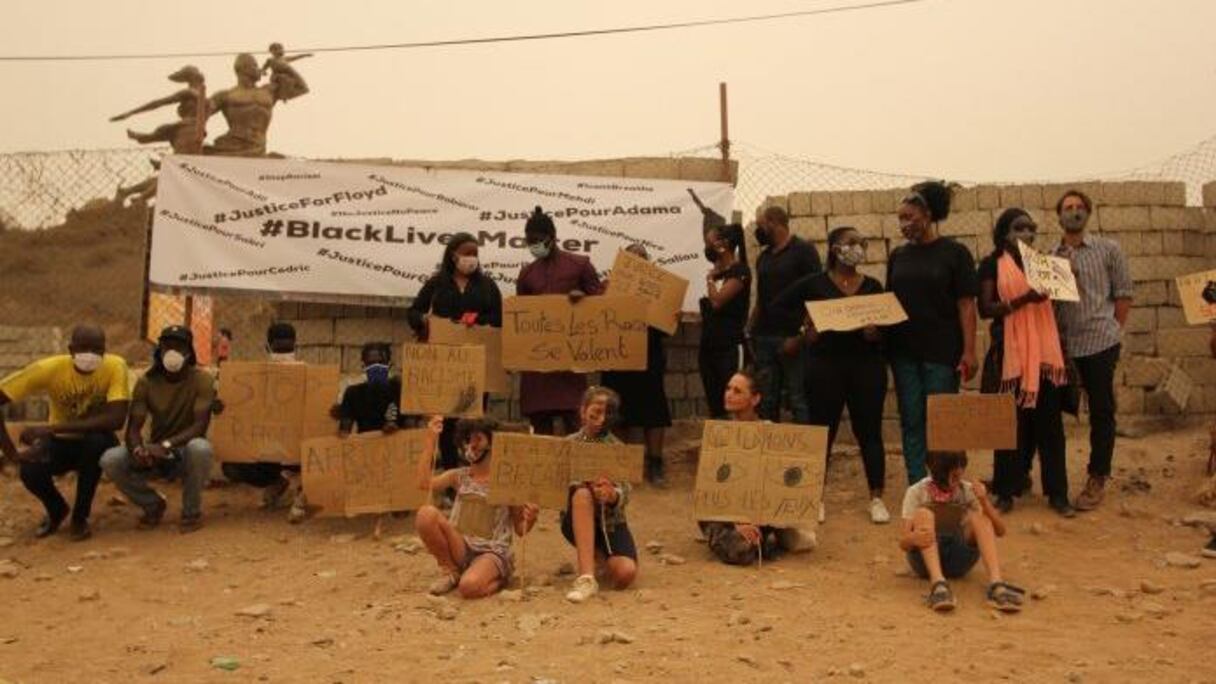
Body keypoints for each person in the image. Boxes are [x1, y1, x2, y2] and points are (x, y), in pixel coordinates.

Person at [778, 226, 890, 524]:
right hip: (825, 367)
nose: (857, 247)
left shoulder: (873, 287)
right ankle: (816, 497)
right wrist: (803, 332)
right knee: (820, 434)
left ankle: (876, 497)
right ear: (833, 249)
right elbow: (777, 307)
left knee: (869, 433)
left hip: (866, 368)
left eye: (861, 242)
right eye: (850, 242)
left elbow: (890, 329)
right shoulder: (814, 284)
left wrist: (876, 334)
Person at [977, 209, 1074, 518]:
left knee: (1051, 427)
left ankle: (1058, 495)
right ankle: (1005, 492)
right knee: (1009, 427)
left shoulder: (1041, 264)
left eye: (1031, 228)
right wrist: (1023, 300)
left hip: (1045, 355)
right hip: (1011, 354)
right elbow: (986, 308)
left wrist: (1064, 283)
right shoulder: (992, 264)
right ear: (1005, 232)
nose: (1028, 234)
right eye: (1020, 228)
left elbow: (1060, 299)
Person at [0, 325, 131, 541]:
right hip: (61, 442)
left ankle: (80, 517)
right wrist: (12, 453)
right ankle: (56, 510)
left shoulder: (115, 366)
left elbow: (115, 419)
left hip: (96, 439)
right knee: (30, 469)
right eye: (83, 348)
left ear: (105, 350)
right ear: (71, 350)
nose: (90, 355)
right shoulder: (49, 369)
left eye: (97, 349)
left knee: (95, 443)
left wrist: (52, 428)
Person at [886, 181, 978, 484]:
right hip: (903, 353)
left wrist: (969, 350)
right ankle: (917, 484)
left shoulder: (956, 253)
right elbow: (889, 303)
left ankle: (943, 483)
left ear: (927, 215)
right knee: (911, 420)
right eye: (900, 219)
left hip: (941, 353)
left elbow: (966, 305)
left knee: (941, 422)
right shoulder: (898, 256)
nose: (904, 225)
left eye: (909, 217)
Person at [1051, 190, 1133, 512]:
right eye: (1068, 208)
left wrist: (1114, 330)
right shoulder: (1051, 256)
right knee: (1056, 409)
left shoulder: (1108, 249)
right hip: (1066, 345)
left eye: (1079, 207)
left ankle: (1097, 475)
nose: (1074, 212)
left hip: (1100, 341)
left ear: (1088, 214)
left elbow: (1124, 294)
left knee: (1101, 410)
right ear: (1058, 216)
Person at [100, 325, 215, 533]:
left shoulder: (202, 380)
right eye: (167, 346)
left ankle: (191, 512)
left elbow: (200, 426)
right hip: (155, 450)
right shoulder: (146, 382)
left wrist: (166, 445)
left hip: (182, 450)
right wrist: (138, 450)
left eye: (179, 347)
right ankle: (152, 504)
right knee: (110, 459)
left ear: (189, 352)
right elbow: (134, 427)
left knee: (201, 448)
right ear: (159, 350)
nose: (172, 352)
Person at [697, 368, 818, 565]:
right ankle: (747, 539)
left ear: (754, 399)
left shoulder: (769, 431)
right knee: (742, 551)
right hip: (721, 512)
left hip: (761, 511)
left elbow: (778, 482)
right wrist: (736, 521)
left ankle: (764, 536)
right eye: (728, 388)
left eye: (738, 391)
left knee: (802, 541)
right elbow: (710, 487)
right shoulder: (717, 434)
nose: (729, 394)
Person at [415, 416, 539, 599]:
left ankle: (498, 579)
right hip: (462, 546)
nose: (471, 445)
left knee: (469, 587)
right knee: (426, 514)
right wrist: (430, 440)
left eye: (478, 438)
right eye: (468, 438)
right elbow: (424, 483)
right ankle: (450, 570)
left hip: (491, 552)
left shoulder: (507, 482)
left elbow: (520, 529)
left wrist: (532, 517)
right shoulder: (459, 476)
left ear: (492, 443)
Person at [407, 232, 503, 468]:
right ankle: (451, 474)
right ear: (453, 256)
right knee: (448, 422)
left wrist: (478, 318)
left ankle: (477, 471)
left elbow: (500, 317)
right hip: (445, 366)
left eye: (475, 254)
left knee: (474, 420)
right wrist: (424, 322)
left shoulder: (488, 286)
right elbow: (413, 312)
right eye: (466, 254)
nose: (471, 258)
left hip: (477, 366)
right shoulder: (436, 284)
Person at [899, 450, 1023, 613]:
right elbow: (904, 543)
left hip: (958, 557)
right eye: (949, 476)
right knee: (924, 514)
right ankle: (939, 586)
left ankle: (996, 585)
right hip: (925, 560)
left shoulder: (967, 490)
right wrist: (914, 538)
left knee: (979, 518)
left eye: (957, 475)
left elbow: (1000, 531)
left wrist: (984, 501)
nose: (953, 481)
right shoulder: (917, 491)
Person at [516, 206, 604, 435]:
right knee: (541, 429)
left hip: (570, 359)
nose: (533, 245)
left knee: (576, 423)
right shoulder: (526, 275)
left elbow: (602, 306)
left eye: (537, 240)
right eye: (528, 241)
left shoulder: (580, 264)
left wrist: (583, 300)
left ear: (552, 237)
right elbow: (519, 319)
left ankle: (577, 471)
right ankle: (544, 471)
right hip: (537, 362)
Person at [219, 322, 310, 523]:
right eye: (279, 347)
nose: (283, 352)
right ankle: (280, 481)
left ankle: (302, 492)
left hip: (298, 452)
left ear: (296, 347)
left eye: (288, 347)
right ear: (268, 348)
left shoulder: (311, 377)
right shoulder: (252, 379)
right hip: (266, 450)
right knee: (231, 466)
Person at [601, 244, 672, 487]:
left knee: (654, 412)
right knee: (617, 412)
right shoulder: (608, 287)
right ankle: (622, 465)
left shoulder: (659, 291)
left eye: (642, 259)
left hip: (648, 357)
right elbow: (596, 316)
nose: (637, 264)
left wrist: (672, 314)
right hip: (617, 357)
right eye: (632, 259)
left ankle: (655, 463)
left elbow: (667, 327)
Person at [562, 387, 639, 603]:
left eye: (606, 414)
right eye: (595, 412)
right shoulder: (567, 445)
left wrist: (611, 494)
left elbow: (626, 491)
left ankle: (599, 558)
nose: (599, 420)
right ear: (583, 411)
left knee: (625, 573)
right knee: (582, 495)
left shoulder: (617, 448)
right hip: (576, 516)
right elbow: (554, 484)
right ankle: (586, 578)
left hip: (611, 523)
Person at [748, 206, 822, 423]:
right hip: (764, 338)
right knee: (766, 400)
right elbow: (761, 298)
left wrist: (799, 336)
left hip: (792, 338)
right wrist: (750, 330)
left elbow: (816, 295)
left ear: (773, 223)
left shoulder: (804, 251)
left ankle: (806, 454)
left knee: (799, 398)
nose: (758, 230)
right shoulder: (763, 258)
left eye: (760, 225)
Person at [699, 223, 751, 419]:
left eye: (711, 242)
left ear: (724, 244)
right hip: (709, 346)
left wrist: (710, 280)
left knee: (733, 399)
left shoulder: (740, 272)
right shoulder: (718, 272)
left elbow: (718, 301)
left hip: (729, 346)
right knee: (715, 401)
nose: (708, 247)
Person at [337, 342, 404, 436]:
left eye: (381, 362)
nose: (376, 367)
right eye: (371, 363)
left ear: (389, 365)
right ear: (363, 366)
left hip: (397, 447)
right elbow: (344, 430)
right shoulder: (353, 394)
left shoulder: (401, 391)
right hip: (366, 448)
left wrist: (395, 428)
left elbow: (413, 427)